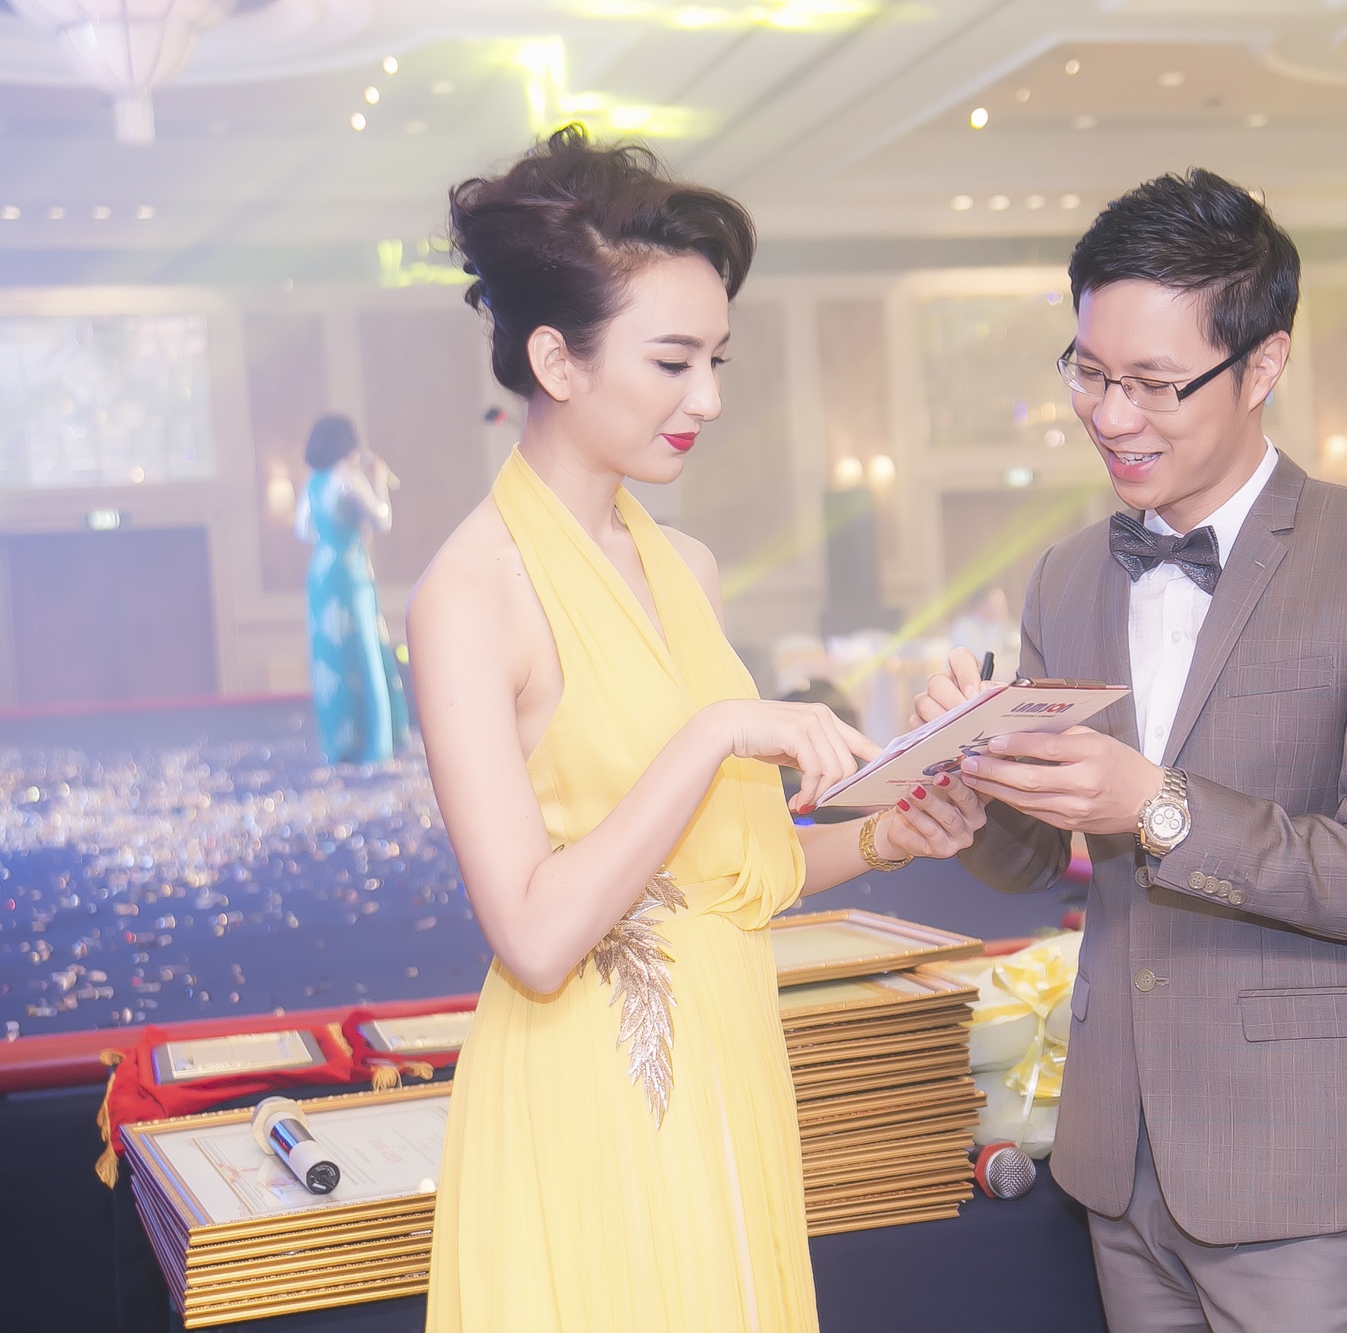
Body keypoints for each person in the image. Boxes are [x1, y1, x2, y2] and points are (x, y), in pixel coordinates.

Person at [407, 128, 984, 1333]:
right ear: (555, 359)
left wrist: (885, 835)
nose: (708, 398)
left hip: (732, 1062)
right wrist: (715, 728)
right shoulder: (467, 596)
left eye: (715, 359)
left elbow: (719, 874)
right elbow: (536, 935)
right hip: (585, 1091)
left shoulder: (687, 567)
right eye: (672, 361)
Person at [915, 169, 1347, 1333]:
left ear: (1261, 364)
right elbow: (1034, 861)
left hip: (1302, 1167)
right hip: (1115, 1158)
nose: (1108, 415)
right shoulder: (1067, 575)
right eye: (1087, 372)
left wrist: (1158, 804)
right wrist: (966, 785)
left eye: (1151, 383)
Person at [296, 413, 410, 764]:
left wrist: (337, 529)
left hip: (321, 573)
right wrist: (378, 483)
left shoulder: (313, 483)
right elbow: (383, 519)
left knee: (331, 657)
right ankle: (376, 743)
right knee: (366, 653)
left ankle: (341, 741)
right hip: (349, 572)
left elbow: (304, 531)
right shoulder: (348, 478)